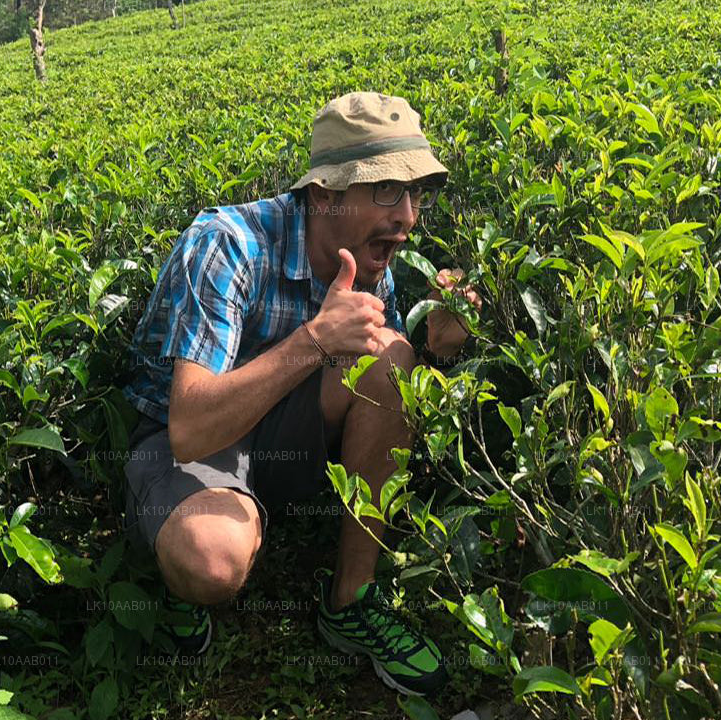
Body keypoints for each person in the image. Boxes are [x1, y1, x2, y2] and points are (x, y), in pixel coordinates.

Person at [119, 91, 482, 697]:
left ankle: (350, 601)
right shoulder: (227, 244)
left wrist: (432, 345)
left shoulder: (370, 261)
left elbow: (375, 379)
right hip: (189, 440)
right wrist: (313, 341)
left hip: (280, 430)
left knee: (394, 357)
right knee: (211, 559)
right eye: (387, 190)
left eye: (415, 194)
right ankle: (174, 558)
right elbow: (190, 427)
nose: (408, 217)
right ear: (324, 195)